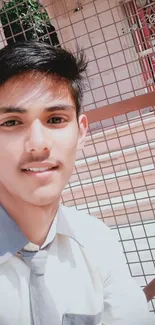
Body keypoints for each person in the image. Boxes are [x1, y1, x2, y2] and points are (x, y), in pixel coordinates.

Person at [0, 40, 153, 325]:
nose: (38, 144)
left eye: (55, 119)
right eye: (11, 122)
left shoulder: (97, 241)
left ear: (81, 132)